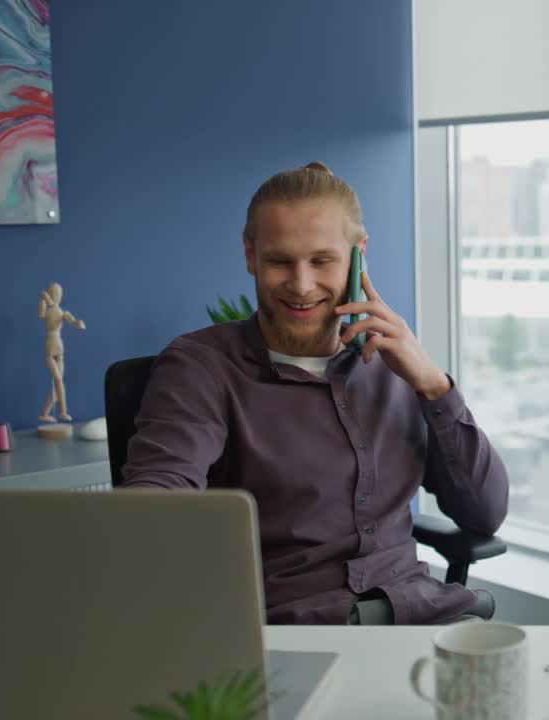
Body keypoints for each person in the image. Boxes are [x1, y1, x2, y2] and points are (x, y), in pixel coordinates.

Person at [120, 162, 509, 625]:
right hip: (292, 635)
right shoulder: (201, 368)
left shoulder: (396, 366)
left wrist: (432, 384)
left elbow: (485, 513)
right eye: (280, 261)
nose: (301, 285)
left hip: (422, 617)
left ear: (358, 255)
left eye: (322, 261)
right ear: (250, 254)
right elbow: (161, 489)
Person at [38, 282, 86, 422]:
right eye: (54, 293)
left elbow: (72, 320)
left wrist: (79, 323)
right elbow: (41, 312)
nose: (57, 296)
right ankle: (57, 413)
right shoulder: (47, 311)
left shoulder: (63, 313)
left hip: (59, 346)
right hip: (50, 345)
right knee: (58, 380)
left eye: (59, 294)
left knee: (59, 383)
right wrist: (43, 299)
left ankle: (51, 413)